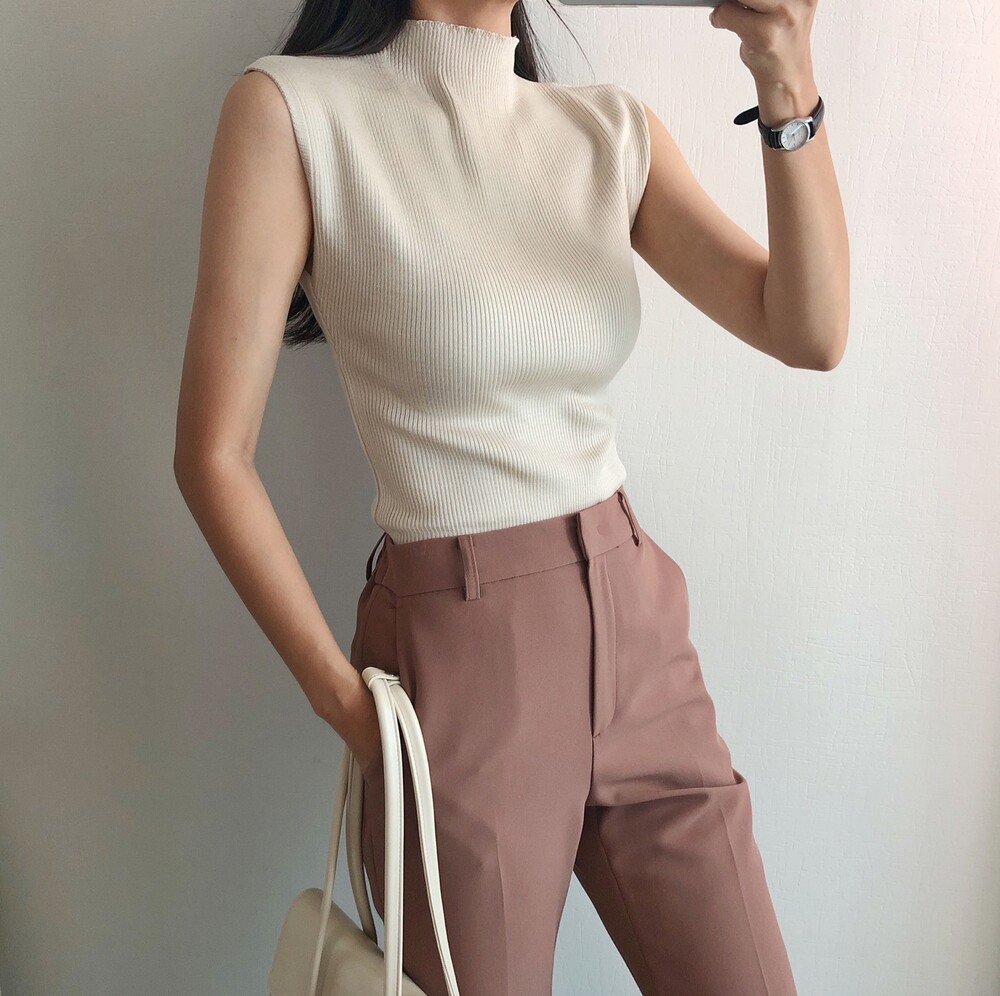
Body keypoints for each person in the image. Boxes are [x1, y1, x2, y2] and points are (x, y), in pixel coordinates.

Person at [175, 1, 847, 992]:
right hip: (462, 655)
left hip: (640, 633)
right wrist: (347, 708)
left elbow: (809, 331)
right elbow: (212, 456)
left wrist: (783, 72)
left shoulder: (607, 130)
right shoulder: (292, 112)